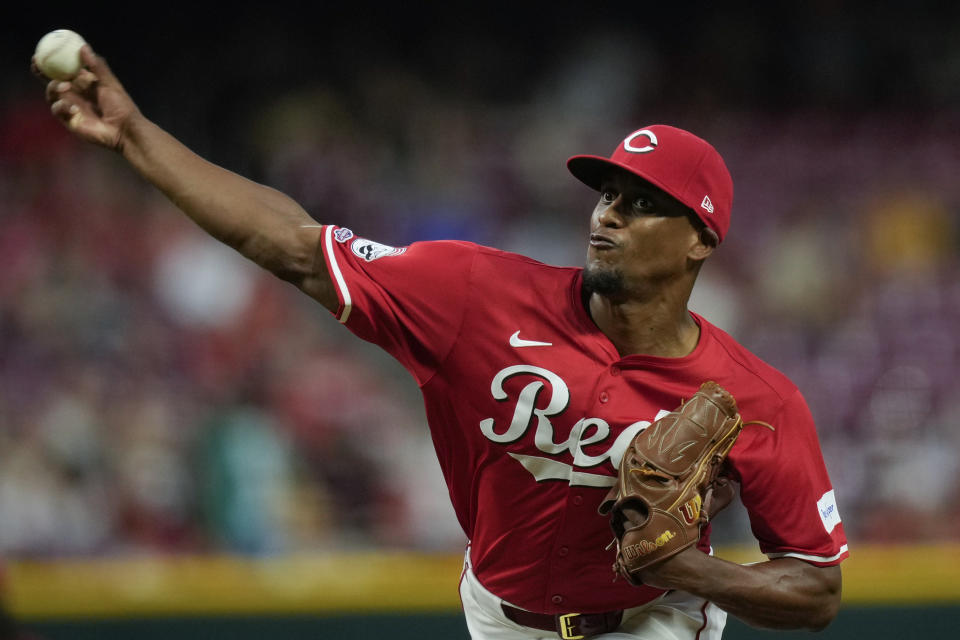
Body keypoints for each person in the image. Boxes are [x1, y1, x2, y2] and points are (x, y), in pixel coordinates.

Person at [36, 45, 847, 640]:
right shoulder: (474, 294)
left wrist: (686, 569)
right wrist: (137, 136)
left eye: (640, 204)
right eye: (607, 195)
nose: (607, 214)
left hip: (654, 625)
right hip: (497, 617)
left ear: (701, 239)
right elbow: (287, 242)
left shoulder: (754, 399)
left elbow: (816, 588)